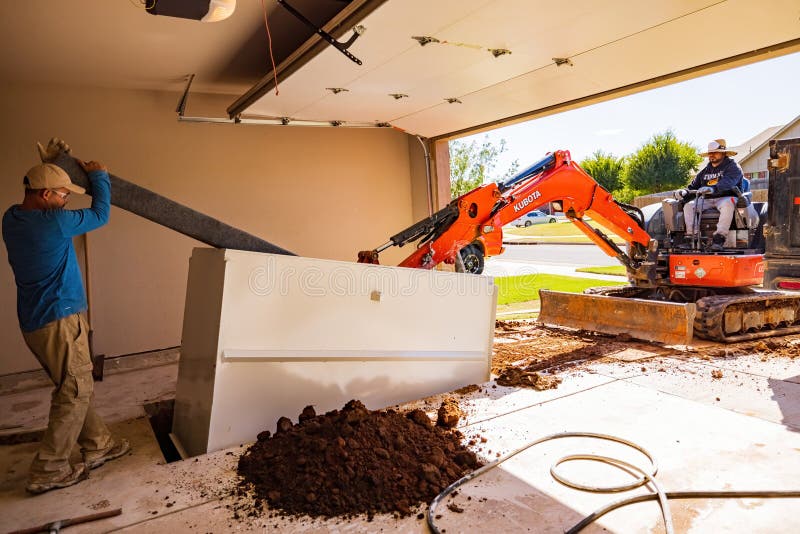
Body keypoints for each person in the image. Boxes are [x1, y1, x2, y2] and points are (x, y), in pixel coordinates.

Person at [2, 139, 130, 494]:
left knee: (75, 384)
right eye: (62, 195)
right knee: (75, 389)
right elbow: (102, 213)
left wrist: (62, 165)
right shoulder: (54, 223)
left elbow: (39, 186)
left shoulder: (12, 218)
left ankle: (98, 444)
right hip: (60, 319)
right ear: (45, 197)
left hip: (36, 323)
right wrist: (100, 176)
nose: (66, 201)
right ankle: (49, 469)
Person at [674, 139, 744, 251]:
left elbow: (729, 182)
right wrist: (684, 192)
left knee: (728, 203)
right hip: (707, 200)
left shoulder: (733, 167)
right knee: (689, 206)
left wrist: (713, 189)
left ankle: (719, 239)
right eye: (710, 153)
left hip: (726, 197)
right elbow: (693, 187)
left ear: (723, 153)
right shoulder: (706, 170)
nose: (711, 155)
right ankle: (693, 238)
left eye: (715, 152)